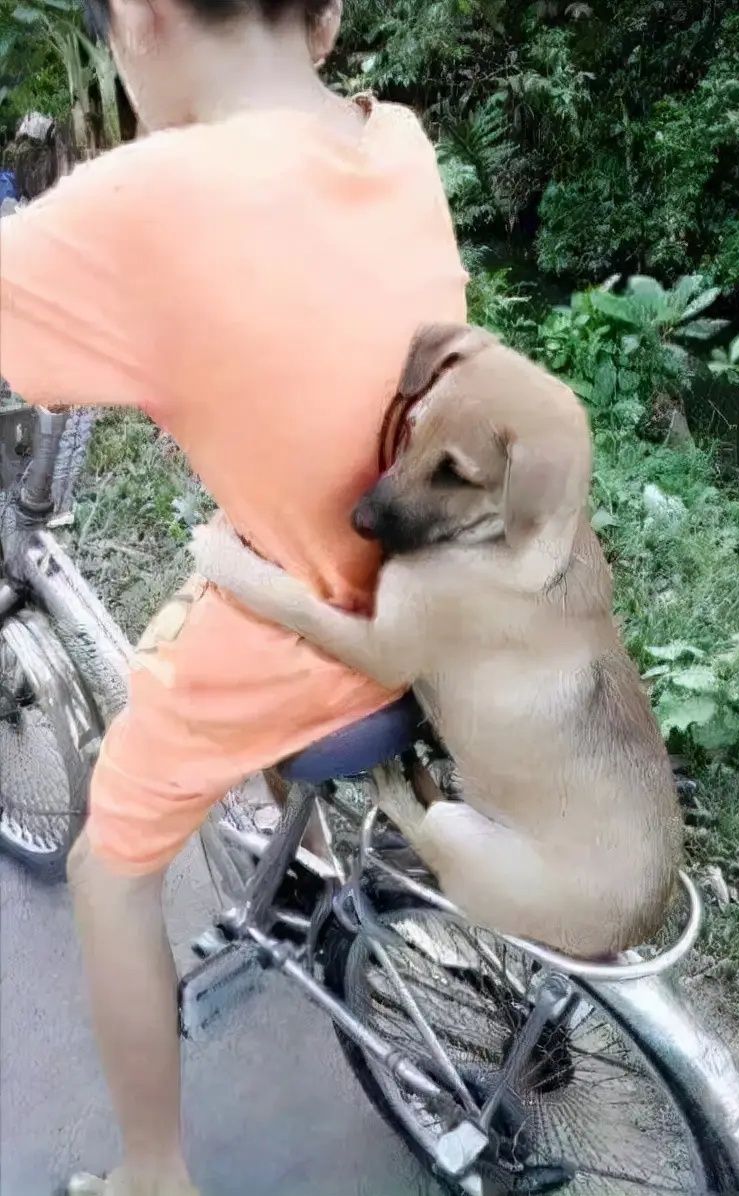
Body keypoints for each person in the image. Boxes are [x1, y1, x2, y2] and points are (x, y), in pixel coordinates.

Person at [0, 1, 467, 1192]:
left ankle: (153, 1172)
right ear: (328, 16)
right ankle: (298, 852)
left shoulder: (153, 195)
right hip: (435, 581)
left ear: (145, 15)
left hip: (309, 625)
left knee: (112, 867)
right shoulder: (397, 139)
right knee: (229, 550)